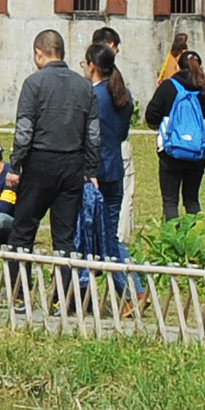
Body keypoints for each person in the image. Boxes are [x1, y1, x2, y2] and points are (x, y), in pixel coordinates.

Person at [10, 30, 99, 254]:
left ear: (39, 54)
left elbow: (24, 130)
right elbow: (94, 134)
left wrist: (16, 164)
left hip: (39, 161)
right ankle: (65, 288)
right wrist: (90, 168)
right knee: (64, 236)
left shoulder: (33, 83)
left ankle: (18, 287)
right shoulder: (84, 86)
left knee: (23, 230)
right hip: (72, 164)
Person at [145, 56, 205, 217]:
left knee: (170, 202)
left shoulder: (168, 86)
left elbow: (151, 117)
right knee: (192, 201)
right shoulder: (204, 88)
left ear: (177, 67)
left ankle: (173, 239)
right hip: (196, 152)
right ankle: (194, 238)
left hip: (171, 150)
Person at [84, 48, 136, 260]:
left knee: (87, 233)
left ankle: (129, 285)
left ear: (92, 66)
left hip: (94, 171)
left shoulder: (92, 96)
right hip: (115, 168)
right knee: (110, 235)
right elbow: (122, 133)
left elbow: (89, 135)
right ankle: (132, 288)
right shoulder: (122, 95)